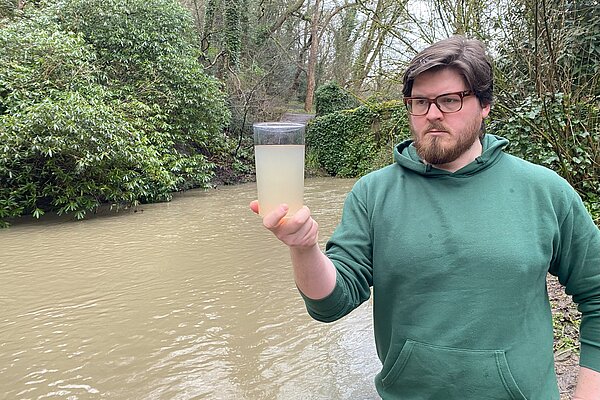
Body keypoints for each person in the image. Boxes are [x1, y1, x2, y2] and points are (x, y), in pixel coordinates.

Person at [249, 35, 600, 399]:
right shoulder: (373, 194)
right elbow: (332, 304)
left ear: (485, 106)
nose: (433, 114)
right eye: (420, 102)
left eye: (450, 100)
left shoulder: (544, 191)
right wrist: (304, 248)